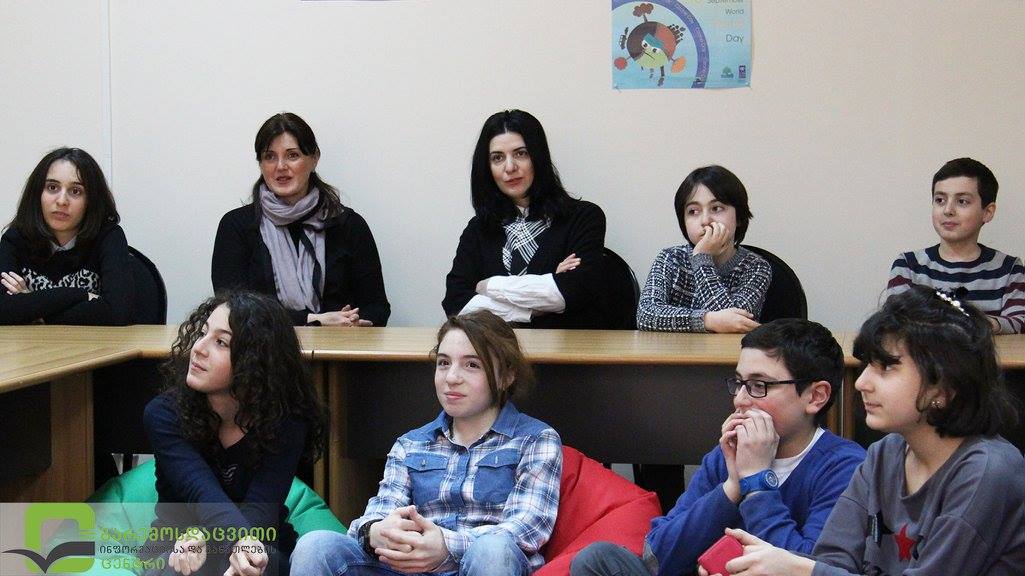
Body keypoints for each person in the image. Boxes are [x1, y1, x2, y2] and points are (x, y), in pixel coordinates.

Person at [709, 286, 1025, 576]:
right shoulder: (884, 454)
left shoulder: (986, 471)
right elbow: (833, 559)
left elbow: (818, 570)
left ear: (944, 387)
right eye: (866, 366)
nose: (861, 383)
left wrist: (800, 570)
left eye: (886, 367)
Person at [571, 319, 866, 576]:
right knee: (597, 559)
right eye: (739, 383)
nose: (740, 399)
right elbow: (657, 557)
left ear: (815, 396)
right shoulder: (725, 456)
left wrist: (758, 484)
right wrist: (732, 486)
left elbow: (810, 567)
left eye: (759, 385)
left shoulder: (845, 466)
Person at [291, 310, 563, 575]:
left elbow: (527, 528)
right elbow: (381, 511)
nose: (451, 378)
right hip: (410, 567)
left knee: (493, 549)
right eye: (443, 363)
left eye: (472, 365)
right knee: (315, 545)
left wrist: (445, 546)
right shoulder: (410, 444)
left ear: (506, 376)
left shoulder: (536, 440)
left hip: (480, 564)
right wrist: (376, 531)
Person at [142, 291, 328, 576]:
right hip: (179, 542)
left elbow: (262, 509)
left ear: (256, 362)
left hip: (260, 539)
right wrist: (213, 544)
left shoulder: (287, 421)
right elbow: (202, 494)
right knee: (184, 566)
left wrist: (226, 548)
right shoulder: (164, 414)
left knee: (259, 564)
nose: (198, 348)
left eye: (221, 342)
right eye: (203, 333)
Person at [212, 112, 390, 327]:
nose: (280, 166)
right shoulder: (236, 226)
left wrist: (355, 322)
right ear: (260, 164)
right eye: (270, 156)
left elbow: (377, 307)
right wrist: (314, 320)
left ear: (314, 158)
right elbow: (232, 309)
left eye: (292, 155)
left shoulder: (348, 225)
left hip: (341, 345)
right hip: (263, 348)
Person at [443, 109, 609, 328]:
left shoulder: (584, 217)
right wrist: (540, 300)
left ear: (538, 157)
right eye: (497, 158)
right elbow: (456, 302)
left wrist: (488, 286)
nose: (510, 167)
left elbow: (575, 291)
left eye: (521, 153)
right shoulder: (478, 228)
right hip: (497, 348)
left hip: (565, 347)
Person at [883, 157, 1025, 333]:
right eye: (940, 200)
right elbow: (893, 322)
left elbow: (1020, 322)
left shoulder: (1009, 269)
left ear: (987, 212)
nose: (948, 210)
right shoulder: (908, 265)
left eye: (962, 201)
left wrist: (977, 324)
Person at [0, 147, 135, 325]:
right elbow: (3, 310)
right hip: (31, 343)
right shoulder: (16, 238)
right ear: (37, 193)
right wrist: (80, 295)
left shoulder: (109, 237)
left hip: (94, 343)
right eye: (52, 188)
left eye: (76, 191)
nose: (62, 201)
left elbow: (117, 312)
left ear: (91, 200)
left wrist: (32, 308)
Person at [636, 165, 771, 333]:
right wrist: (707, 320)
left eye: (716, 208)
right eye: (693, 211)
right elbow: (646, 315)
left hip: (729, 351)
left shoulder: (756, 267)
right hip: (674, 350)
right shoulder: (670, 258)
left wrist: (702, 258)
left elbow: (733, 325)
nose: (705, 220)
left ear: (739, 217)